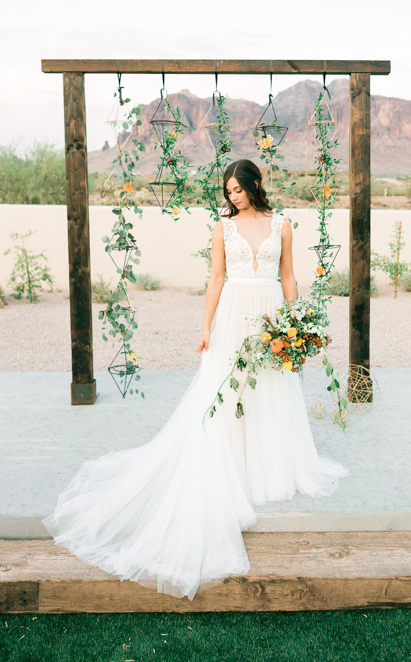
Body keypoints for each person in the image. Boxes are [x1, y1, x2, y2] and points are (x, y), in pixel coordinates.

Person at [42, 159, 350, 600]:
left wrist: (296, 320)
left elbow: (287, 277)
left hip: (270, 316)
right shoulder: (221, 229)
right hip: (232, 315)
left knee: (270, 390)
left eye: (238, 190)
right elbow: (216, 278)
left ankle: (265, 469)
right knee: (228, 393)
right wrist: (206, 326)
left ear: (255, 185)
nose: (233, 197)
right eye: (228, 192)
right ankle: (232, 469)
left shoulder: (282, 224)